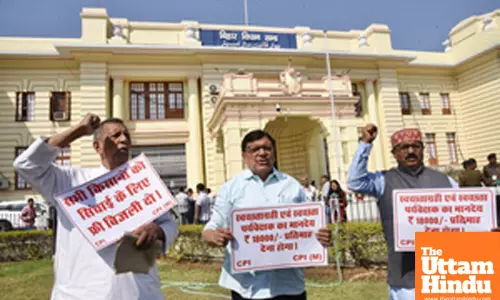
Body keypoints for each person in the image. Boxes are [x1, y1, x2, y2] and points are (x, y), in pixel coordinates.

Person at [13, 114, 178, 300]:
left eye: (127, 136)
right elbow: (26, 164)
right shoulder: (69, 181)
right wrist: (77, 131)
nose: (123, 139)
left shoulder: (144, 181)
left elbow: (169, 224)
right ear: (97, 146)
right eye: (115, 136)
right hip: (81, 292)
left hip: (140, 290)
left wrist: (158, 231)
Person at [203, 129, 331, 300]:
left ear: (274, 153)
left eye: (267, 148)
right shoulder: (231, 188)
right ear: (244, 156)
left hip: (289, 285)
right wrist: (214, 236)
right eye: (254, 149)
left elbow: (311, 227)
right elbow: (210, 229)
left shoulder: (291, 185)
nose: (262, 153)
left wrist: (321, 236)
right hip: (246, 287)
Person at [347, 124, 458, 300]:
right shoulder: (383, 181)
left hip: (445, 273)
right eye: (404, 148)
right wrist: (366, 144)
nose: (410, 151)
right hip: (406, 277)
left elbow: (466, 220)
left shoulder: (446, 181)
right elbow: (354, 182)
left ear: (423, 150)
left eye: (416, 146)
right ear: (394, 153)